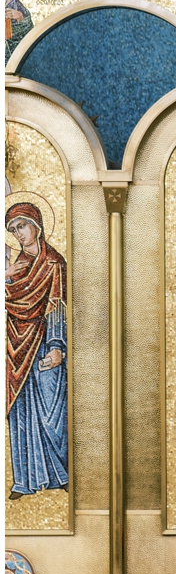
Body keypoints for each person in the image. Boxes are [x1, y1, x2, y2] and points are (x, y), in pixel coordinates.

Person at [6, 201, 68, 497]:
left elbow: (58, 307)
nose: (19, 233)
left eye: (22, 226)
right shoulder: (13, 268)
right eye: (13, 229)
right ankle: (24, 480)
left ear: (37, 226)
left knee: (51, 411)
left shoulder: (53, 263)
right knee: (20, 409)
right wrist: (6, 278)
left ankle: (60, 474)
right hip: (15, 346)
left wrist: (57, 346)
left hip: (44, 343)